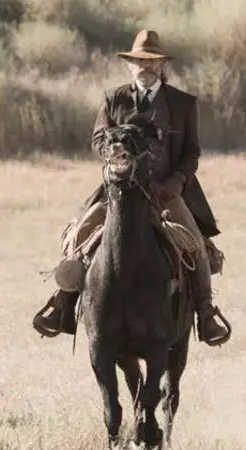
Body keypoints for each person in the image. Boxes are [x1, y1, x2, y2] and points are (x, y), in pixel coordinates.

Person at [32, 29, 231, 346]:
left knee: (193, 241)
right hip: (119, 191)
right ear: (130, 64)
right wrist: (114, 157)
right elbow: (98, 138)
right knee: (80, 235)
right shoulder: (114, 99)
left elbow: (191, 153)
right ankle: (62, 303)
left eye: (151, 61)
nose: (144, 66)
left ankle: (206, 314)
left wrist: (175, 183)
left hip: (165, 193)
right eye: (138, 60)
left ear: (161, 65)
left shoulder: (182, 103)